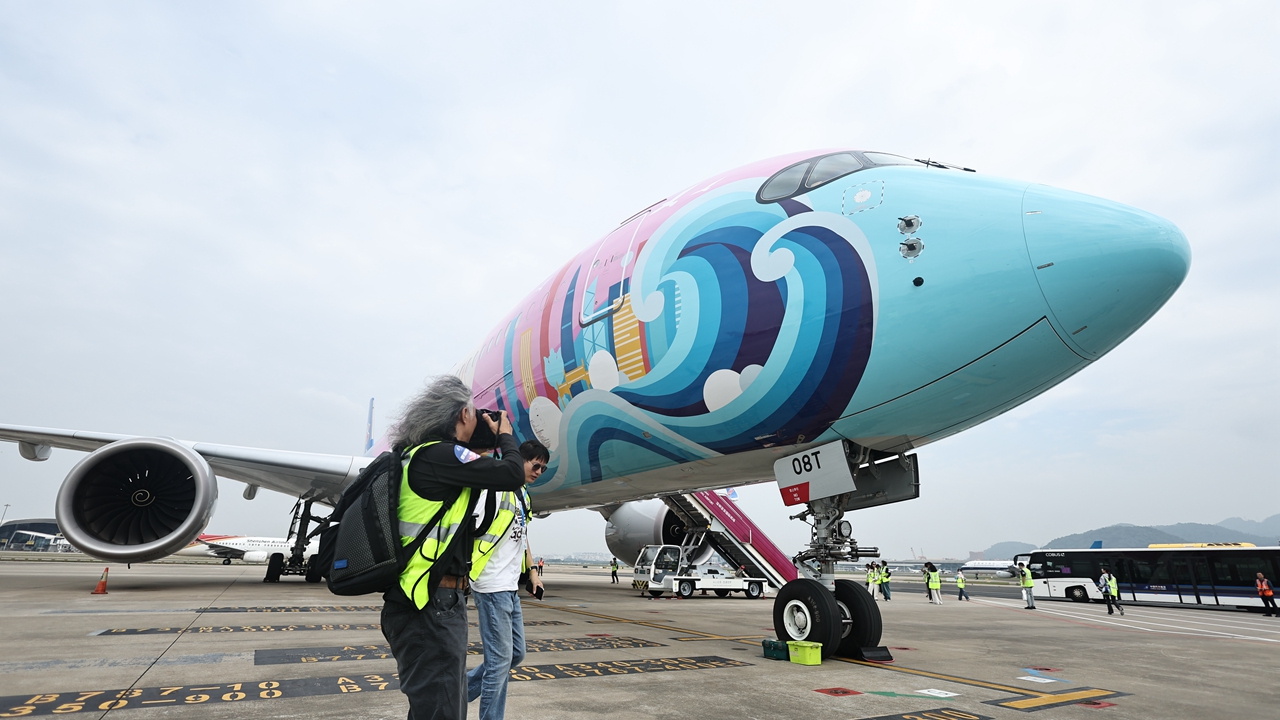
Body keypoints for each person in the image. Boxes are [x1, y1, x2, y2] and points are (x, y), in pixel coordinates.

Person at [380, 376, 526, 720]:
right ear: (463, 414)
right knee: (442, 711)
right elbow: (512, 473)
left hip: (423, 603)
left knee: (439, 707)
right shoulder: (440, 455)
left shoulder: (422, 458)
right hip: (430, 605)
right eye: (474, 412)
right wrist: (505, 433)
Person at [466, 439, 548, 720]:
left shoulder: (523, 494)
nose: (539, 472)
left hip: (510, 586)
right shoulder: (493, 488)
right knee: (500, 661)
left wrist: (533, 572)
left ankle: (455, 693)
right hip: (491, 583)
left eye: (543, 469)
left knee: (515, 654)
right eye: (535, 465)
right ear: (518, 460)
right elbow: (467, 526)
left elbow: (522, 536)